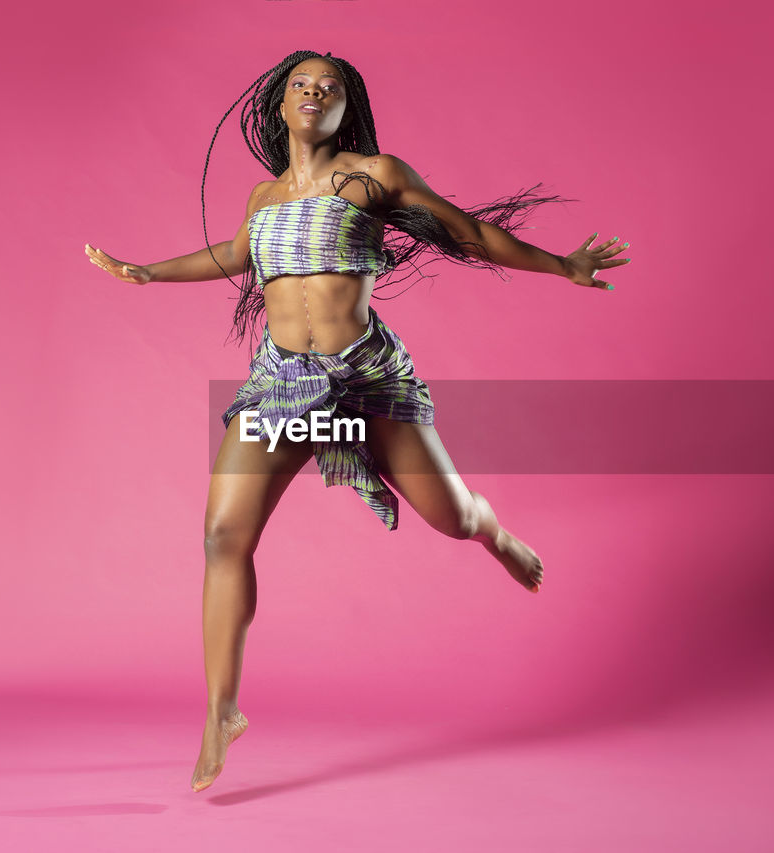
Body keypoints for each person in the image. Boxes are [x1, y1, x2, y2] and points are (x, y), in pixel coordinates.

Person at [84, 50, 631, 793]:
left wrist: (561, 264)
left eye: (329, 87)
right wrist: (150, 271)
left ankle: (494, 531)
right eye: (300, 85)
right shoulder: (263, 197)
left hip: (366, 381)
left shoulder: (376, 173)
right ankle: (222, 708)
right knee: (221, 535)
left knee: (452, 516)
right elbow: (235, 256)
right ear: (279, 106)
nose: (313, 93)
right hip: (281, 384)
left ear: (347, 106)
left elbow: (469, 233)